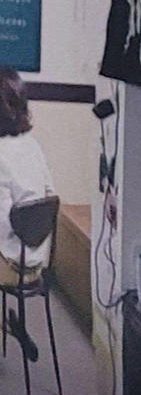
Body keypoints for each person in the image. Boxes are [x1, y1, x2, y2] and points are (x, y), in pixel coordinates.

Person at [0, 68, 54, 363]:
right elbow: (51, 195)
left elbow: (0, 224)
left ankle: (5, 323)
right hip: (37, 261)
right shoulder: (32, 145)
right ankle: (7, 323)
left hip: (9, 265)